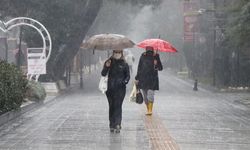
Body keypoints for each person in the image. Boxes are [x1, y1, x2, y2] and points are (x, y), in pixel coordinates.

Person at [101, 49, 130, 133]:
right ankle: (111, 124)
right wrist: (106, 66)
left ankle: (118, 124)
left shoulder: (124, 64)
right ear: (113, 53)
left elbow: (128, 76)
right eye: (115, 52)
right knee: (112, 106)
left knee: (118, 105)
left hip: (120, 89)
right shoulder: (109, 62)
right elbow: (103, 74)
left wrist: (124, 82)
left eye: (119, 52)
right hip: (110, 89)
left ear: (121, 53)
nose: (117, 54)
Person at [135, 46, 163, 115]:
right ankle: (148, 109)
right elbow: (140, 67)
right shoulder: (143, 56)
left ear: (153, 49)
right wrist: (137, 77)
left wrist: (156, 64)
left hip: (152, 79)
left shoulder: (156, 56)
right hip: (143, 79)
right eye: (148, 49)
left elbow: (160, 68)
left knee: (150, 95)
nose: (149, 50)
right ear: (146, 49)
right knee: (145, 97)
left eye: (150, 49)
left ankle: (150, 110)